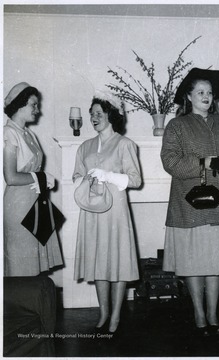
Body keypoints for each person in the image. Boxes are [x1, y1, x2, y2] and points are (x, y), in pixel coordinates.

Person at [161, 68, 219, 336]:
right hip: (189, 206)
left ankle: (212, 313)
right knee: (192, 261)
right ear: (188, 95)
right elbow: (171, 162)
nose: (206, 97)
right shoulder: (176, 125)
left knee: (215, 261)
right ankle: (199, 312)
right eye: (200, 92)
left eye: (209, 92)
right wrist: (205, 163)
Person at [72, 91, 141, 334]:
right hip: (92, 210)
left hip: (116, 211)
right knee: (99, 259)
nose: (94, 118)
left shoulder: (125, 144)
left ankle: (115, 316)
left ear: (111, 115)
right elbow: (76, 175)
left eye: (99, 114)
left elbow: (135, 180)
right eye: (92, 115)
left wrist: (108, 176)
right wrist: (85, 180)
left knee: (119, 260)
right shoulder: (85, 146)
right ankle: (103, 313)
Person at [3, 82, 63, 276]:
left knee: (36, 269)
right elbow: (10, 177)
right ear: (19, 105)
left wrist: (41, 179)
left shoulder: (29, 134)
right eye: (33, 105)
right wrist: (41, 177)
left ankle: (35, 306)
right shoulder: (9, 133)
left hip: (36, 204)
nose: (37, 110)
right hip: (19, 207)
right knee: (22, 268)